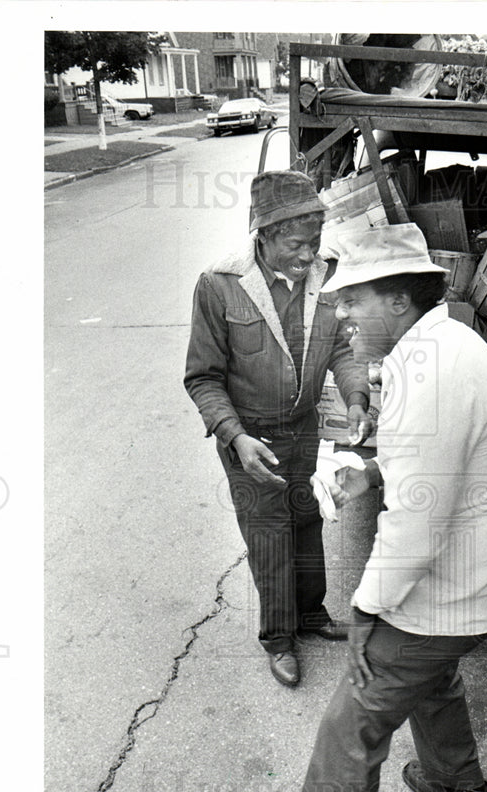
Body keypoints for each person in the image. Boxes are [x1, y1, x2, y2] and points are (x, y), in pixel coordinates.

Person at [229, 223, 487, 792]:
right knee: (430, 675)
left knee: (352, 723)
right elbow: (450, 467)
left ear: (399, 301)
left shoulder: (430, 372)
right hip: (479, 580)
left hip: (451, 588)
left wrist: (365, 611)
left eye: (354, 299)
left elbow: (415, 528)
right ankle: (462, 790)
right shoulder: (448, 345)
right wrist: (380, 471)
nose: (341, 313)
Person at [184, 171, 374, 688]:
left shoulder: (326, 275)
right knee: (269, 538)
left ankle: (311, 615)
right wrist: (235, 437)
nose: (307, 254)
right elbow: (202, 378)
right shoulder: (220, 285)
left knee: (307, 523)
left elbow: (340, 348)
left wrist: (357, 395)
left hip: (304, 431)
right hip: (251, 440)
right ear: (263, 235)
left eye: (314, 242)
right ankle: (279, 637)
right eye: (295, 243)